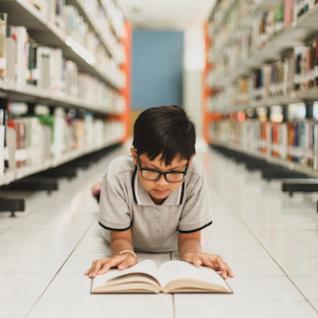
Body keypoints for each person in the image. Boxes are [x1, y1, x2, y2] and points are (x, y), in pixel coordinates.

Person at [85, 105, 234, 279]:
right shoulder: (117, 173)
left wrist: (192, 253)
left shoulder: (195, 174)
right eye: (151, 170)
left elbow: (190, 239)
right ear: (134, 157)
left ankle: (103, 192)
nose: (162, 183)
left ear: (190, 161)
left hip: (171, 240)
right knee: (109, 190)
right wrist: (125, 253)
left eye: (174, 172)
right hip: (124, 229)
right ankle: (102, 192)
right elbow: (119, 237)